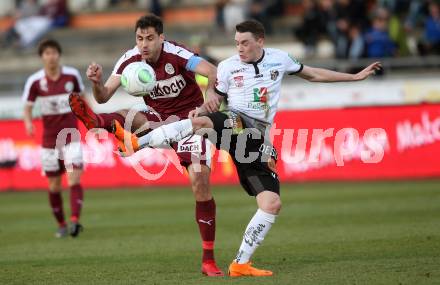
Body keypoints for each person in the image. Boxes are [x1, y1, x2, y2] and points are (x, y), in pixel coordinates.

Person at [115, 19, 382, 277]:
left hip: (256, 140)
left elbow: (313, 73)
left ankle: (241, 263)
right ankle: (141, 141)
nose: (239, 48)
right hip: (235, 121)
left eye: (244, 43)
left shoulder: (280, 59)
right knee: (201, 121)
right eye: (236, 43)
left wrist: (355, 76)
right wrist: (208, 103)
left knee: (271, 203)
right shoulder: (228, 67)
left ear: (260, 42)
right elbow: (215, 95)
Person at [68, 14, 223, 276]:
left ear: (161, 38)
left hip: (190, 122)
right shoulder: (130, 59)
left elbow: (212, 71)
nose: (144, 44)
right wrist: (95, 83)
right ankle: (96, 121)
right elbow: (104, 96)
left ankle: (208, 259)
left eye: (150, 38)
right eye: (140, 38)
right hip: (159, 120)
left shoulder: (178, 54)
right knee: (131, 115)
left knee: (200, 183)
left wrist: (210, 96)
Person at [22, 39, 85, 238]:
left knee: (74, 178)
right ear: (42, 57)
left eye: (54, 52)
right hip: (49, 140)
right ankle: (61, 224)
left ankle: (75, 221)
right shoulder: (35, 81)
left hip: (71, 136)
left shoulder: (72, 75)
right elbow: (28, 106)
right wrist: (28, 122)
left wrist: (93, 120)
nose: (51, 56)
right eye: (47, 53)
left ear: (59, 55)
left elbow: (82, 98)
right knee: (54, 185)